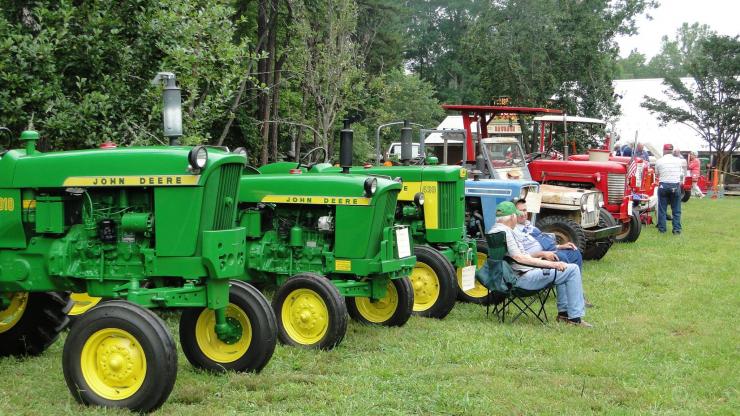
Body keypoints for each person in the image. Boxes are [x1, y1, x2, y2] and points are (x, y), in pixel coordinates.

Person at [489, 201, 592, 327]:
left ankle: (564, 314)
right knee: (572, 270)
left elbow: (517, 257)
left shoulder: (494, 231)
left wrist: (543, 258)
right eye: (516, 215)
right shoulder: (507, 233)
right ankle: (575, 318)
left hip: (508, 278)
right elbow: (519, 258)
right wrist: (552, 265)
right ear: (512, 217)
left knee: (565, 268)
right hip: (522, 279)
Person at [512, 199, 583, 273]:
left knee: (574, 252)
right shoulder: (514, 231)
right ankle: (565, 280)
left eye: (524, 210)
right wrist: (543, 254)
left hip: (551, 250)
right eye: (520, 211)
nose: (523, 214)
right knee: (561, 257)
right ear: (513, 214)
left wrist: (560, 246)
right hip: (538, 257)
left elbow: (541, 241)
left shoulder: (529, 226)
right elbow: (521, 256)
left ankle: (575, 281)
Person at [655, 143, 683, 234]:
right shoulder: (679, 160)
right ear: (672, 151)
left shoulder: (659, 161)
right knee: (676, 209)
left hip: (663, 185)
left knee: (662, 209)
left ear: (664, 151)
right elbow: (681, 173)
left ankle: (662, 230)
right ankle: (677, 230)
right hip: (675, 185)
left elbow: (657, 173)